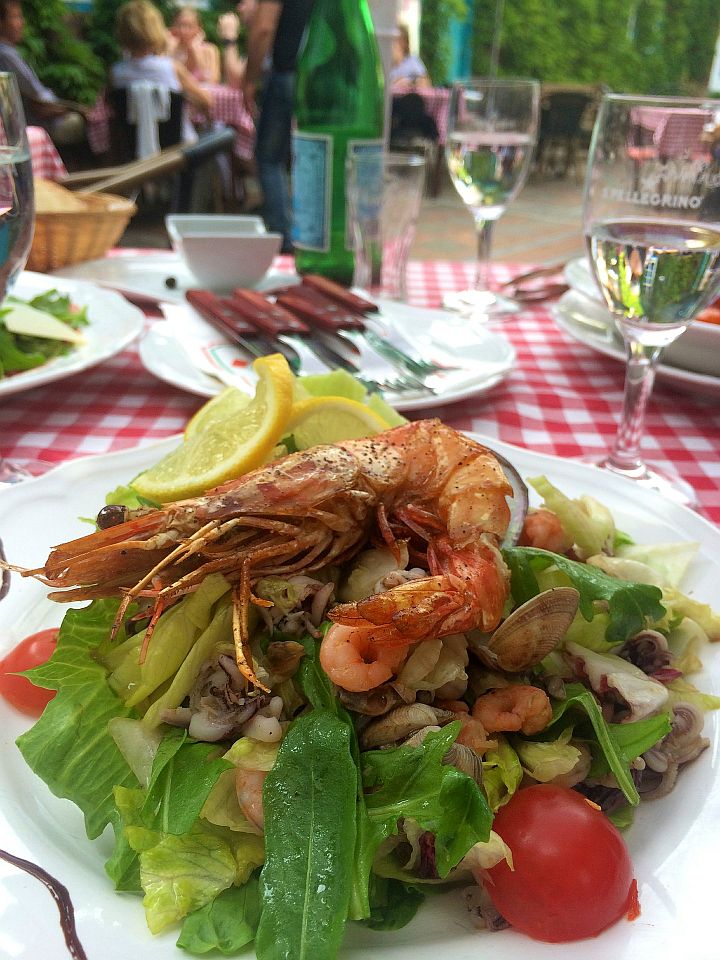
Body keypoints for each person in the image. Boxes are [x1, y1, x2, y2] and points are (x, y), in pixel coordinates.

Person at [239, 0, 313, 253]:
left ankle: (282, 236)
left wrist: (250, 79)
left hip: (285, 72)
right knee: (312, 154)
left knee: (269, 158)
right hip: (315, 75)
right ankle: (310, 233)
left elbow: (263, 29)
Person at [110, 0, 212, 150]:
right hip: (179, 153)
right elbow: (207, 102)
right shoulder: (171, 68)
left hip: (133, 153)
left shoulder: (116, 73)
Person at [0, 0, 87, 146]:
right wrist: (70, 108)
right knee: (79, 120)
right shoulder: (6, 55)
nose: (22, 23)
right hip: (35, 121)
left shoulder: (10, 52)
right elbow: (38, 101)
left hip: (41, 114)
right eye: (16, 17)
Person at [168, 6, 220, 85]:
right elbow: (173, 78)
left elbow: (212, 81)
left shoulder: (210, 49)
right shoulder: (172, 48)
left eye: (189, 26)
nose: (183, 31)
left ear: (199, 29)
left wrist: (195, 50)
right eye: (179, 25)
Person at [216, 0, 258, 89]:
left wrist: (229, 37)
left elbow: (235, 81)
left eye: (243, 3)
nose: (239, 8)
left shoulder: (266, 39)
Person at [390, 23, 430, 92]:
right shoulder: (383, 64)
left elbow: (426, 84)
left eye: (396, 40)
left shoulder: (412, 61)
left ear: (404, 43)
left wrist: (411, 82)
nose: (393, 44)